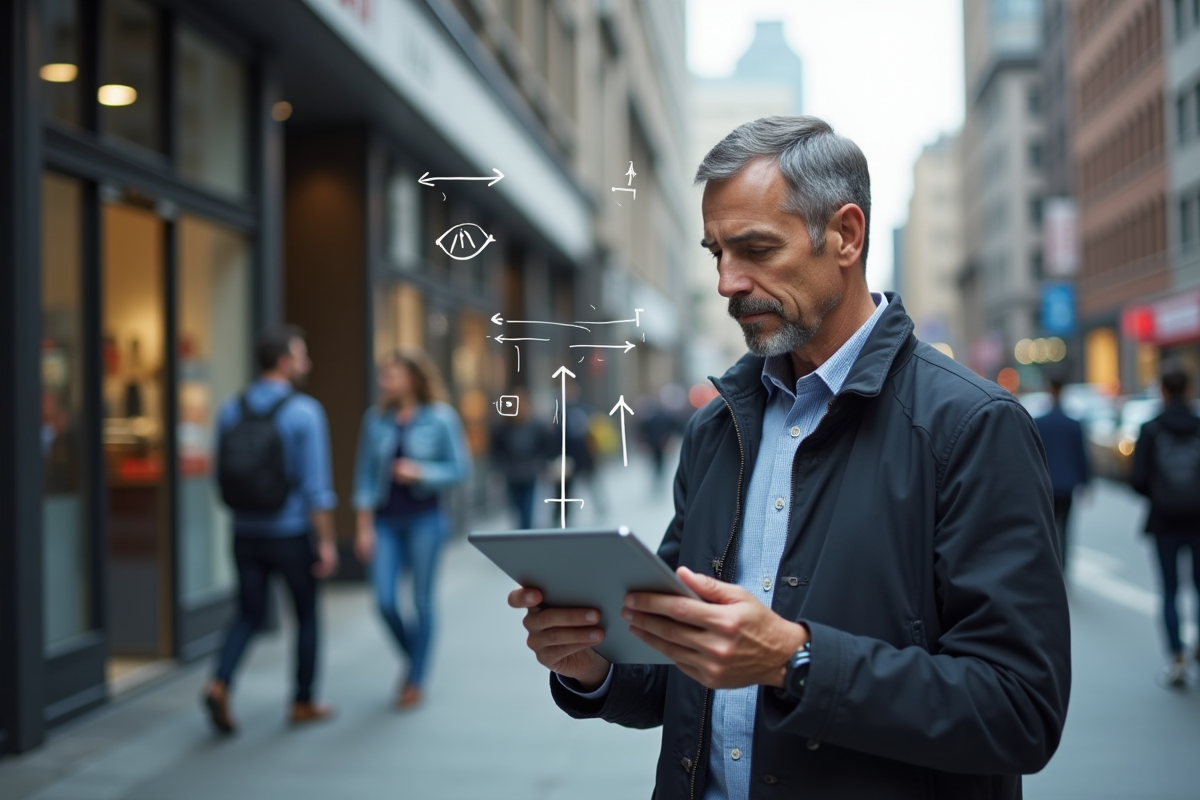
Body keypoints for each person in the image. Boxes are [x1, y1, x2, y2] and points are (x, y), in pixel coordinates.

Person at [508, 116, 1070, 799]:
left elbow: (1019, 711)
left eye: (755, 249)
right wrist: (591, 663)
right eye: (716, 252)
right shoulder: (716, 430)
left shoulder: (973, 427)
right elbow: (672, 675)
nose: (726, 282)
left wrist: (795, 660)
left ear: (846, 235)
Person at [204, 325, 338, 734]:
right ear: (284, 362)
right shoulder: (305, 411)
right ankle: (302, 701)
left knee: (246, 612)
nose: (307, 363)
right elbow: (317, 488)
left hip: (244, 531)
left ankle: (219, 681)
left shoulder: (231, 408)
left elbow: (217, 474)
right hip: (291, 532)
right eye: (301, 355)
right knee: (306, 617)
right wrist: (327, 541)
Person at [353, 349, 470, 708]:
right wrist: (363, 527)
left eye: (392, 374)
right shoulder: (376, 420)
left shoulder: (440, 418)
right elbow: (365, 476)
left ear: (413, 378)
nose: (384, 381)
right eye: (383, 375)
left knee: (422, 601)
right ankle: (415, 658)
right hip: (386, 521)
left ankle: (415, 679)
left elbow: (460, 469)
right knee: (384, 601)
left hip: (426, 519)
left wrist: (422, 472)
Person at [1129, 360, 1200, 689]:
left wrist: (1162, 494)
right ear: (1188, 389)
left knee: (1170, 590)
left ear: (1161, 390)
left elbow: (1138, 480)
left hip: (1164, 520)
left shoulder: (1151, 428)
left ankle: (1176, 660)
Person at [1033, 376, 1091, 573]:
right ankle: (1062, 567)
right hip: (1067, 484)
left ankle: (1050, 568)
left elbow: (1034, 456)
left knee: (1047, 529)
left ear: (1049, 389)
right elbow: (1081, 456)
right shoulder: (1073, 424)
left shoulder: (1040, 423)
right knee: (1064, 529)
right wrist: (1085, 483)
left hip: (1046, 484)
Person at [489, 387, 552, 529]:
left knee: (528, 510)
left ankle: (525, 535)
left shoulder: (536, 425)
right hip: (512, 474)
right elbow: (496, 451)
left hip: (530, 474)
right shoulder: (503, 427)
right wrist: (499, 469)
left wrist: (541, 466)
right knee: (515, 508)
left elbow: (545, 448)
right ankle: (521, 533)